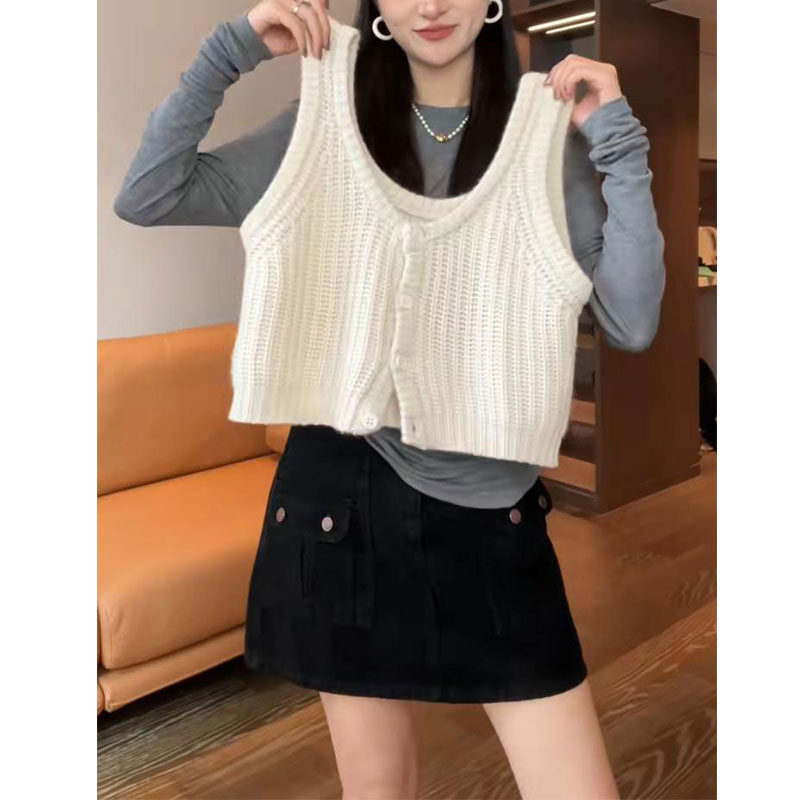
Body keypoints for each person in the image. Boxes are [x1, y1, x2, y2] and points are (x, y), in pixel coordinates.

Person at [114, 1, 665, 797]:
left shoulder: (548, 141)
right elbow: (149, 193)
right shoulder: (321, 124)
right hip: (337, 505)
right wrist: (231, 49)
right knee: (378, 790)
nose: (430, 5)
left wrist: (618, 140)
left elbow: (634, 320)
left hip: (490, 516)